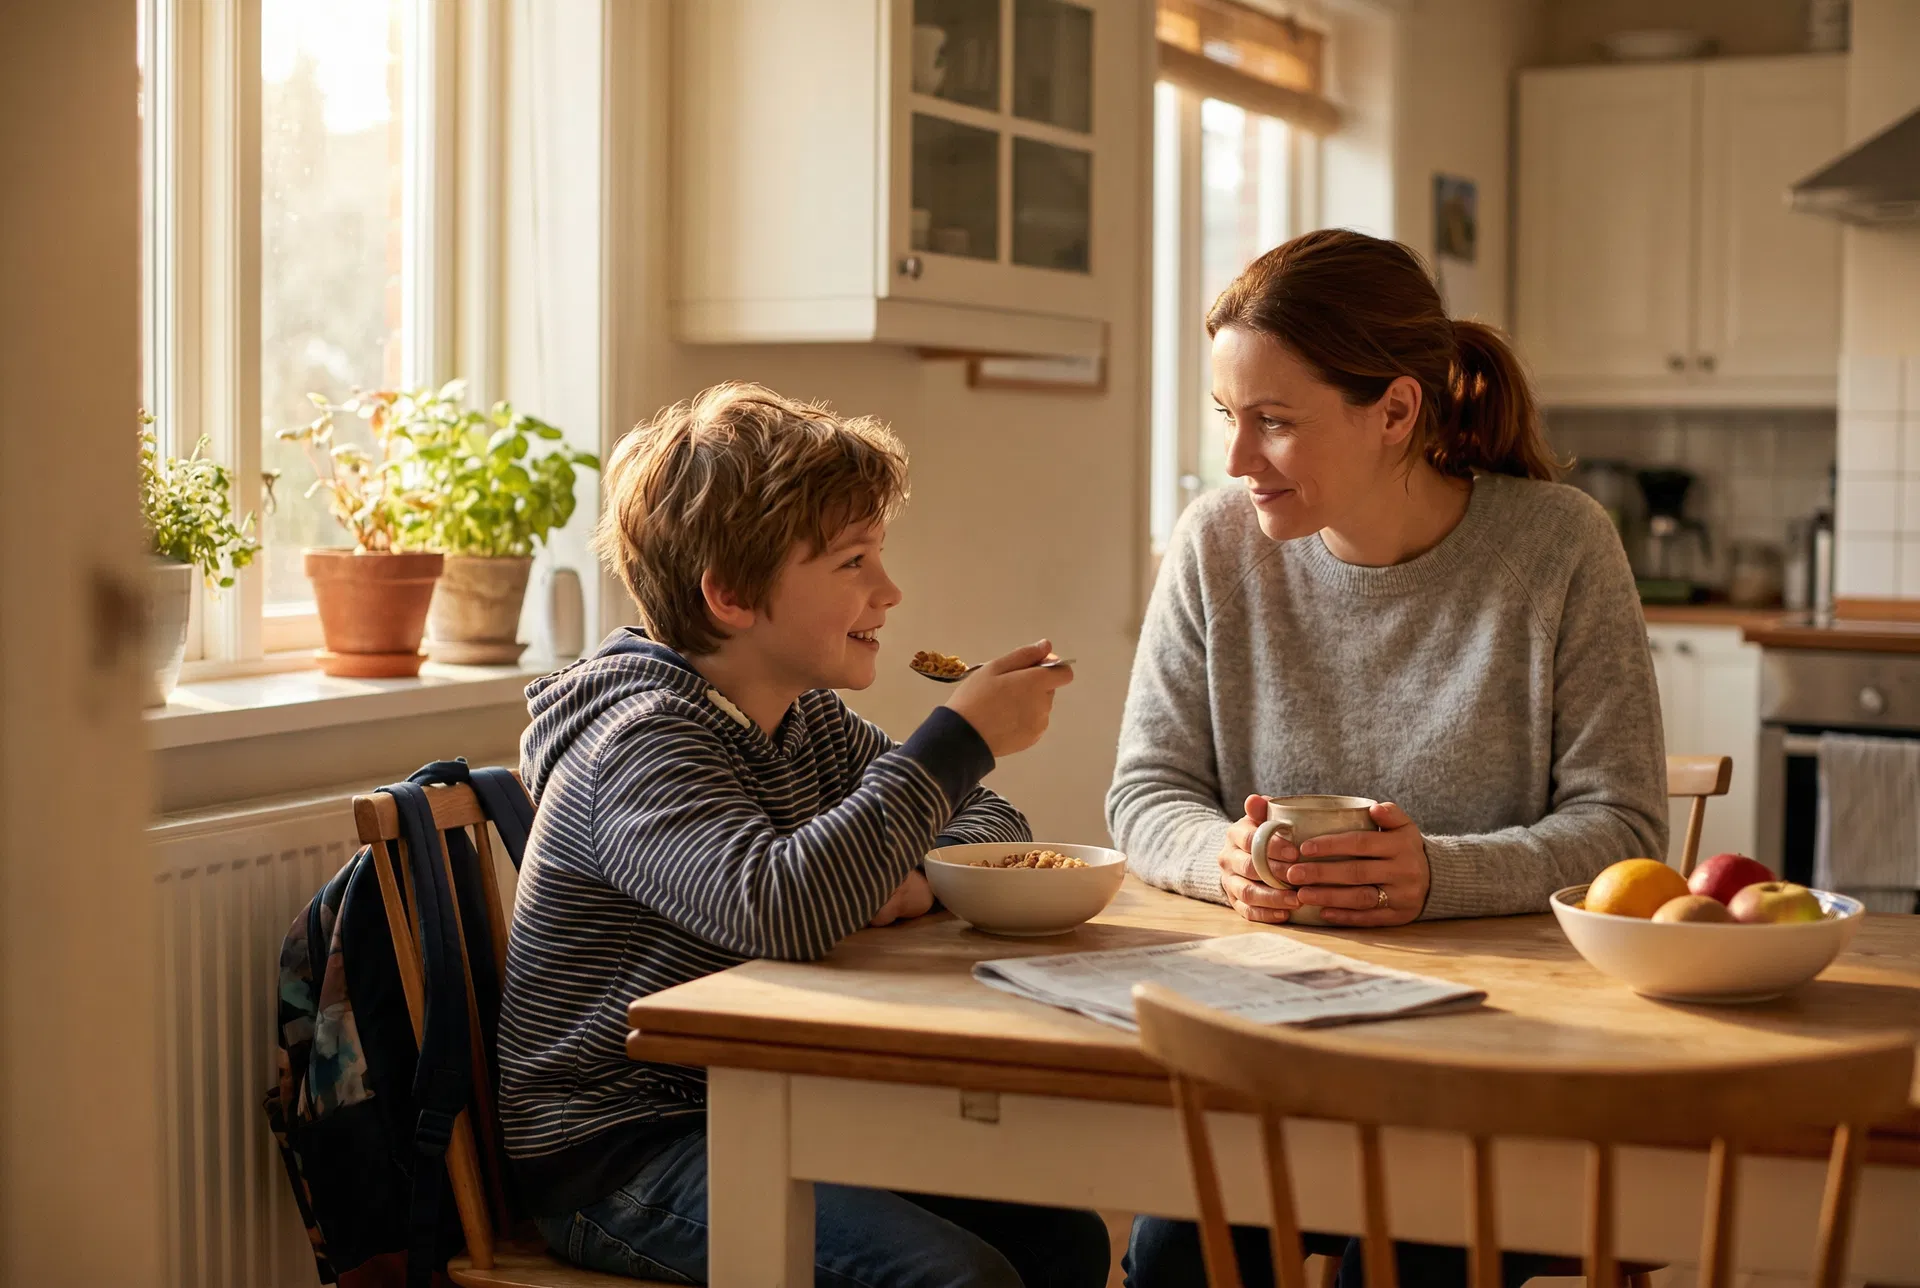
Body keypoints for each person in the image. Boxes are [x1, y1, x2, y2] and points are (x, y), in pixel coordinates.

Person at [1106, 229, 1666, 1288]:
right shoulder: (1214, 544)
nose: (1236, 460)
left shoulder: (1559, 546)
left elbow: (1626, 829)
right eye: (1231, 417)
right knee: (1180, 1251)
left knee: (1405, 1250)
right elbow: (1146, 790)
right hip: (1268, 1052)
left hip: (1502, 1071)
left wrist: (1437, 876)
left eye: (1274, 422)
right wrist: (1219, 852)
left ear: (1398, 411)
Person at [499, 382, 1108, 1288]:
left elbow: (989, 824)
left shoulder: (800, 720)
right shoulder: (636, 742)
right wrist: (960, 739)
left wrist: (913, 881)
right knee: (958, 1281)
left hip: (759, 1102)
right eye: (853, 562)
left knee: (1065, 1240)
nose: (889, 591)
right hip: (624, 1149)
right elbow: (782, 904)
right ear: (733, 594)